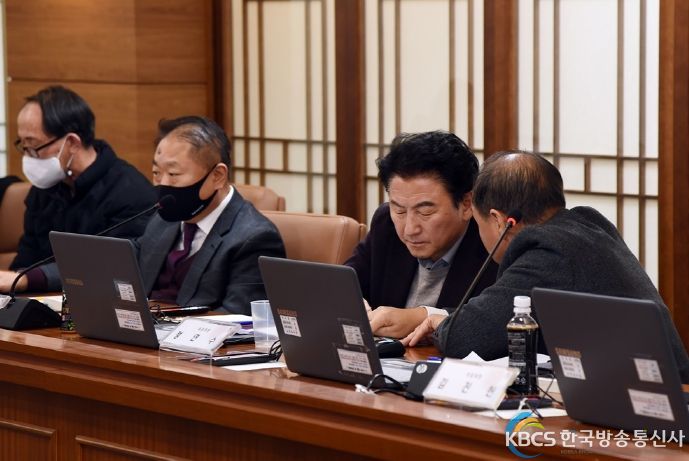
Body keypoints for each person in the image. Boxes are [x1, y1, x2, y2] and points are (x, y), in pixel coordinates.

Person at [404, 151, 689, 382]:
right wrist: (444, 318)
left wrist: (443, 325)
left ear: (500, 221)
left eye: (479, 224)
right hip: (652, 390)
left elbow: (466, 337)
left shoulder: (548, 252)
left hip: (655, 408)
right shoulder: (587, 226)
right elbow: (496, 315)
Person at [0, 85, 156, 292]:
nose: (28, 156)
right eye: (23, 145)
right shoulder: (46, 187)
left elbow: (111, 265)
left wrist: (29, 279)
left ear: (72, 143)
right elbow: (28, 255)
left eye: (34, 145)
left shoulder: (131, 192)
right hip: (42, 300)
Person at [345, 131, 498, 339]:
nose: (410, 229)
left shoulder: (493, 240)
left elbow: (497, 318)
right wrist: (349, 302)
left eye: (425, 212)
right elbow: (345, 281)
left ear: (466, 204)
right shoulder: (386, 223)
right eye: (399, 210)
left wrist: (425, 316)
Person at [135, 115, 285, 314]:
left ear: (217, 176)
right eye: (156, 172)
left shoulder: (255, 238)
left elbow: (238, 317)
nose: (163, 183)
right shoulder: (162, 220)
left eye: (173, 174)